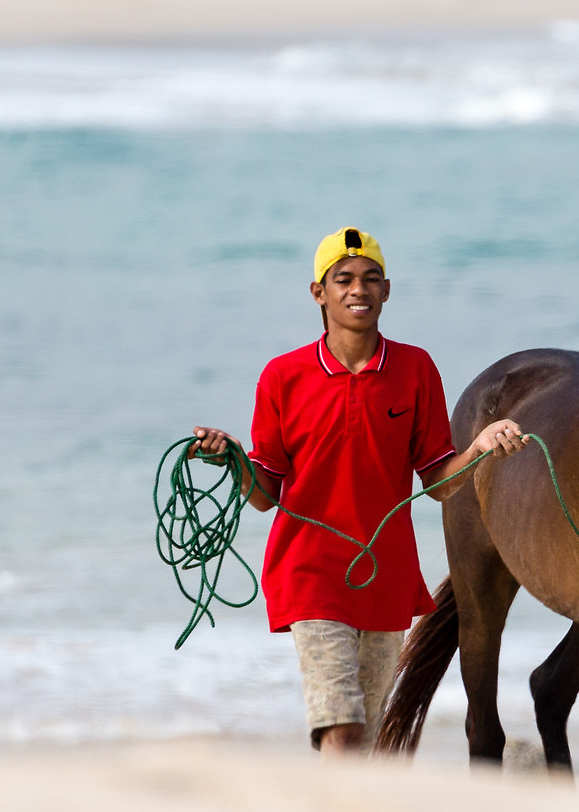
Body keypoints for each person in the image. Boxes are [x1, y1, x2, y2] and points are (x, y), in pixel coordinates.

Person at [193, 226, 526, 756]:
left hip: (384, 577)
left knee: (368, 745)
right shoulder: (283, 376)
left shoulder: (415, 369)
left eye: (371, 279)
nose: (358, 289)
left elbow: (438, 483)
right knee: (342, 729)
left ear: (387, 291)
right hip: (311, 574)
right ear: (318, 292)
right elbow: (264, 494)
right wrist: (233, 459)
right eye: (343, 278)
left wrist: (481, 449)